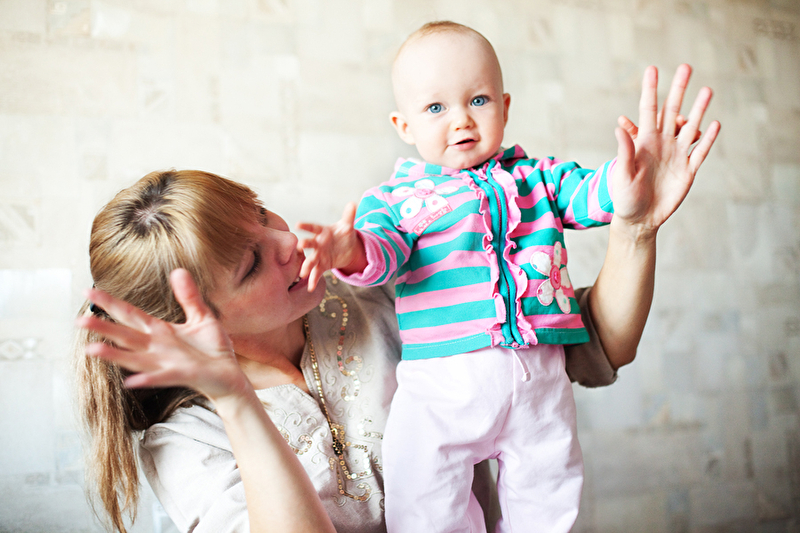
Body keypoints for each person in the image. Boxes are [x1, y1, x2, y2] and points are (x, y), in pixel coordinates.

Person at [295, 21, 720, 533]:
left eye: (479, 100)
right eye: (436, 108)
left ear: (505, 106)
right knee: (426, 500)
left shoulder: (538, 177)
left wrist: (629, 182)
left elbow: (593, 192)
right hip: (444, 386)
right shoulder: (397, 201)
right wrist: (348, 249)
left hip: (539, 380)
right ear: (403, 125)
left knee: (549, 493)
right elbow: (380, 252)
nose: (461, 120)